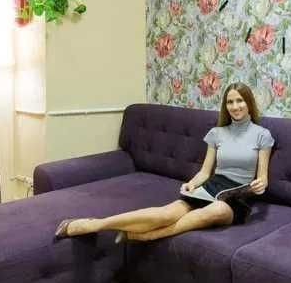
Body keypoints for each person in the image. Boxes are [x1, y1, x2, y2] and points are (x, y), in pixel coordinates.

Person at [54, 83, 274, 242]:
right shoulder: (217, 133)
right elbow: (205, 172)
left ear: (248, 103)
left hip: (236, 197)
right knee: (167, 213)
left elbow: (263, 178)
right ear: (225, 106)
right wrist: (191, 184)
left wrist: (260, 185)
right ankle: (94, 224)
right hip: (211, 187)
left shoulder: (262, 135)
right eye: (230, 102)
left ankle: (148, 236)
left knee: (216, 210)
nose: (235, 106)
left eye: (239, 100)